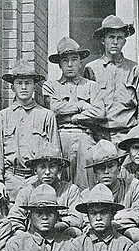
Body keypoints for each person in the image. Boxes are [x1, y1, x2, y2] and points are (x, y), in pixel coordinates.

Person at [0, 59, 60, 204]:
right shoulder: (3, 116)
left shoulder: (46, 115)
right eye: (19, 83)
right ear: (12, 88)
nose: (23, 87)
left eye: (28, 83)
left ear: (34, 88)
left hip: (38, 180)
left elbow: (55, 154)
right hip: (11, 180)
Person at [44, 37, 106, 191]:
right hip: (60, 137)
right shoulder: (51, 86)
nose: (70, 64)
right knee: (60, 184)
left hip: (85, 136)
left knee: (86, 185)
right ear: (59, 64)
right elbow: (54, 108)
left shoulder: (91, 86)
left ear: (80, 62)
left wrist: (72, 118)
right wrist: (82, 106)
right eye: (65, 60)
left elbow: (99, 112)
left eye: (74, 59)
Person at [84, 15, 139, 144]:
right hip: (99, 135)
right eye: (111, 37)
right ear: (103, 40)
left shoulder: (134, 69)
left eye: (120, 38)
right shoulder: (92, 69)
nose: (115, 42)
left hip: (127, 135)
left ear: (124, 42)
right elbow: (87, 105)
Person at [6, 184, 73, 251]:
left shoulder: (69, 244)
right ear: (30, 215)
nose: (45, 217)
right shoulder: (16, 244)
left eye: (50, 213)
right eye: (39, 213)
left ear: (57, 216)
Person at [7, 142, 83, 236]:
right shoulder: (27, 191)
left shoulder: (70, 190)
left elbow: (77, 218)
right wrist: (22, 236)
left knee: (74, 232)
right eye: (42, 167)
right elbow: (14, 219)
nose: (47, 172)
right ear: (35, 170)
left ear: (59, 169)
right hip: (34, 238)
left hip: (60, 236)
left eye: (52, 167)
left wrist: (57, 226)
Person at [85, 140, 139, 242]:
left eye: (110, 166)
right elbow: (86, 220)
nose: (106, 172)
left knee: (136, 234)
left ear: (119, 169)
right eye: (101, 168)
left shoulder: (133, 186)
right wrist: (124, 214)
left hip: (124, 229)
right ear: (95, 172)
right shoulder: (88, 194)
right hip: (97, 231)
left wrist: (111, 220)